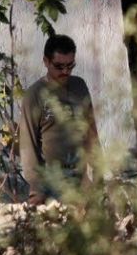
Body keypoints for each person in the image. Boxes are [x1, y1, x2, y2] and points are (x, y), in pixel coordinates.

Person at [19, 34, 99, 206]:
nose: (65, 71)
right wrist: (36, 191)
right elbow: (28, 146)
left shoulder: (79, 86)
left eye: (70, 66)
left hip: (80, 179)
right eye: (59, 66)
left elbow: (91, 132)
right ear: (46, 62)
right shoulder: (34, 95)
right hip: (51, 183)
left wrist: (98, 172)